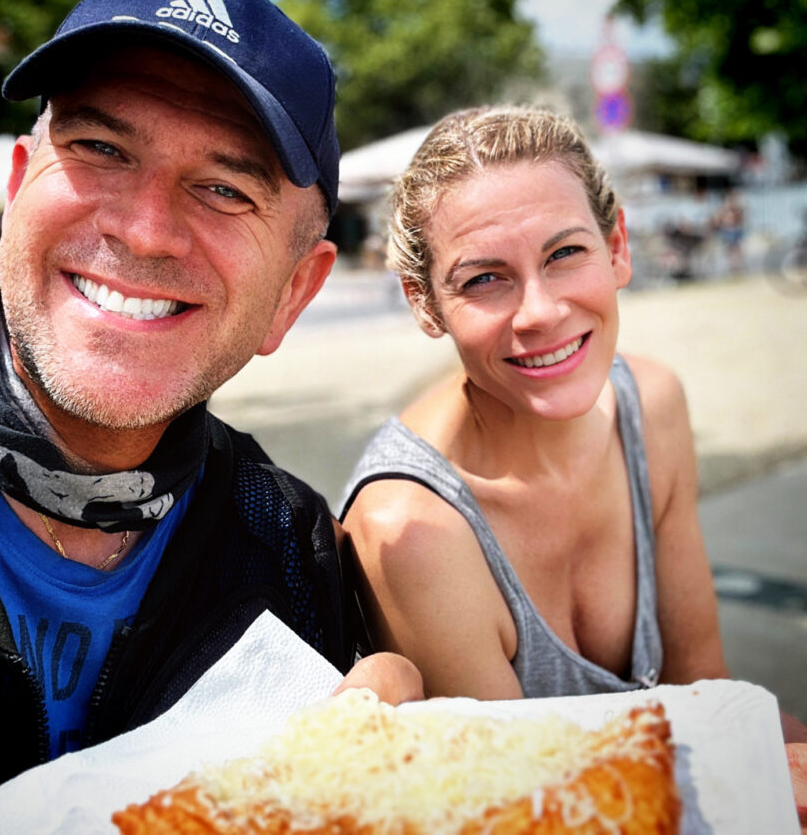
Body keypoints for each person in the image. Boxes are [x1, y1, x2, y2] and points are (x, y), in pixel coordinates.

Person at [0, 0, 420, 832]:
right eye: (101, 148)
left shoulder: (290, 550)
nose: (145, 228)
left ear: (293, 295)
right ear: (16, 191)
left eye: (226, 189)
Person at [339, 106, 807, 794]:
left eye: (564, 254)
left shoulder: (653, 406)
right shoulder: (412, 529)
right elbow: (526, 804)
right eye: (483, 279)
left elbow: (708, 692)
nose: (541, 311)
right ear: (424, 302)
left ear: (617, 246)